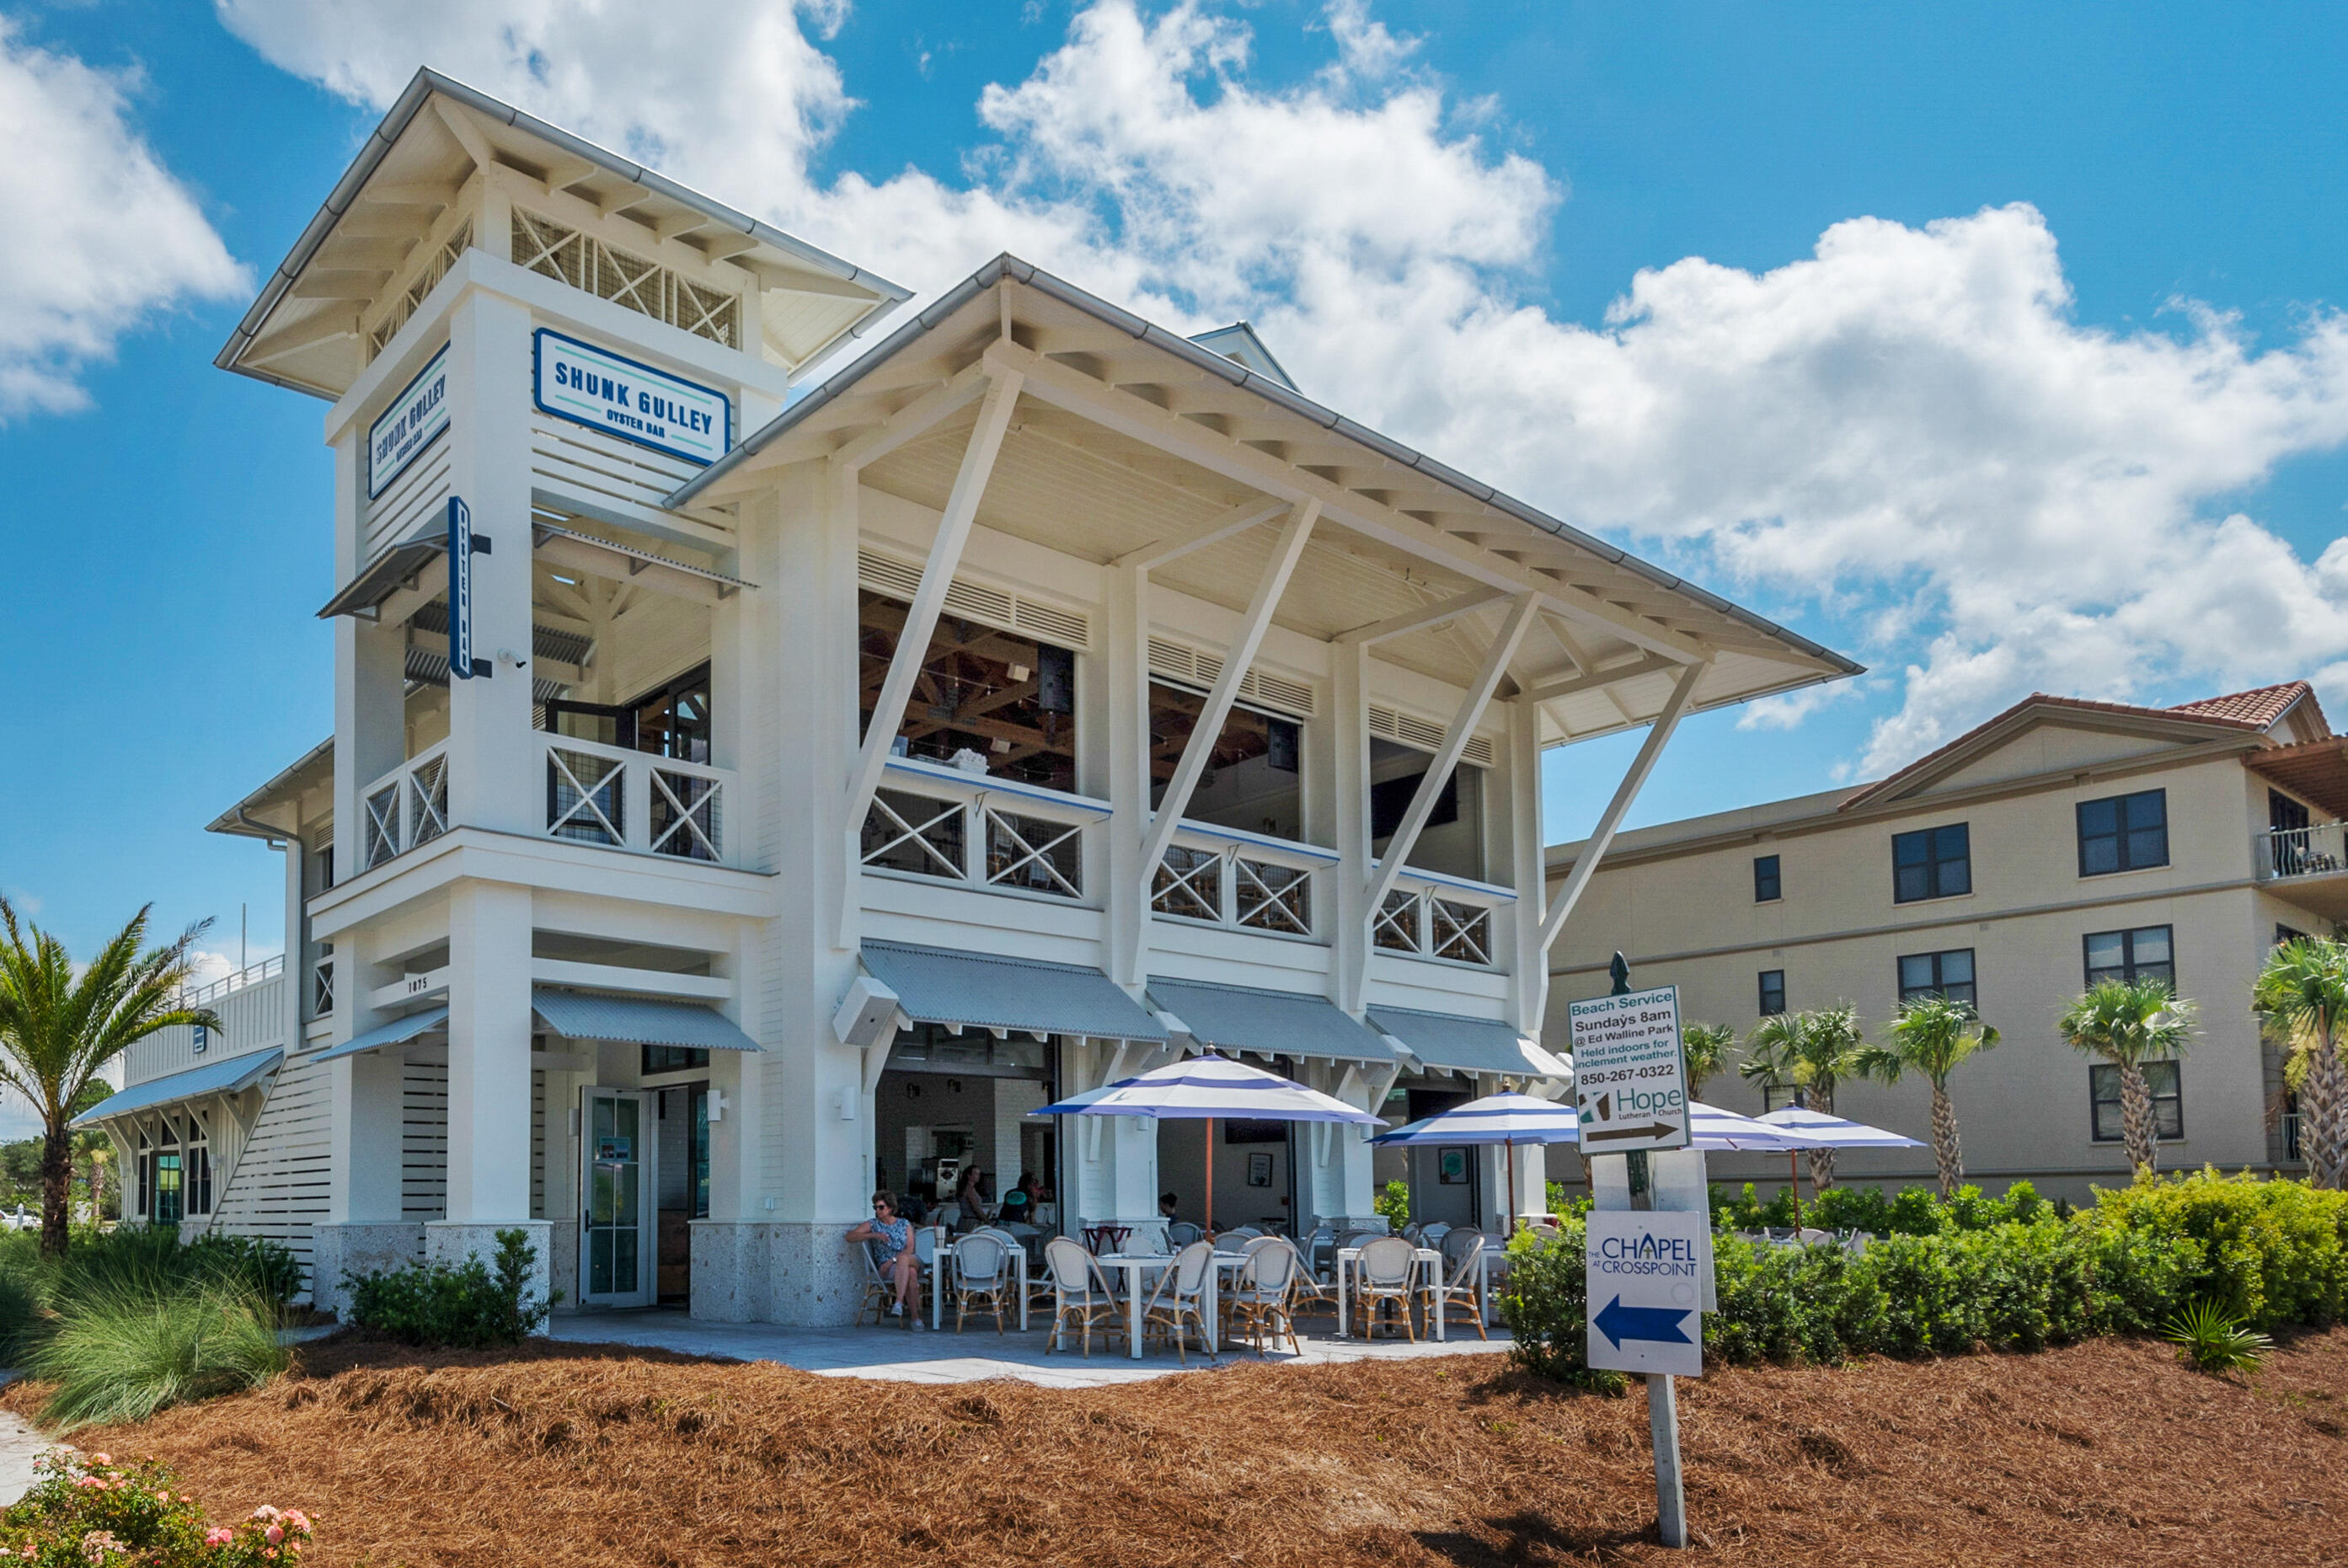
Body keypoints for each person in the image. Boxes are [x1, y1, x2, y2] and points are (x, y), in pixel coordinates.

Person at [847, 1191, 923, 1327]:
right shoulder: (874, 1224)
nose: (878, 1210)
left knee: (904, 1259)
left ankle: (899, 1301)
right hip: (889, 1269)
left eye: (881, 1207)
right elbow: (850, 1237)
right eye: (875, 1207)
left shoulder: (904, 1223)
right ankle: (915, 1318)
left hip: (905, 1260)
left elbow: (910, 1248)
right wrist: (873, 1235)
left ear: (891, 1208)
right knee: (911, 1272)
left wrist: (893, 1260)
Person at [952, 1165, 990, 1232]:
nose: (978, 1176)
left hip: (967, 1220)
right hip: (969, 1222)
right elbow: (975, 1207)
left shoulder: (970, 1188)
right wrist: (986, 1220)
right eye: (976, 1174)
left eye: (979, 1174)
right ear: (969, 1176)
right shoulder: (969, 1189)